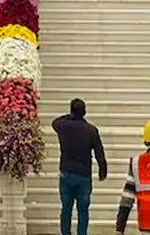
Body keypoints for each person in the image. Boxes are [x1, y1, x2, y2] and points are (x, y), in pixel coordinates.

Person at [53, 98, 108, 235]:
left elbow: (55, 122)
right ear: (84, 112)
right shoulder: (91, 130)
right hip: (84, 175)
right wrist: (103, 170)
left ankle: (66, 233)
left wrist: (69, 116)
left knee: (66, 209)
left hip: (66, 172)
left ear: (71, 111)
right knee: (83, 211)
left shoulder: (63, 127)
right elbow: (99, 152)